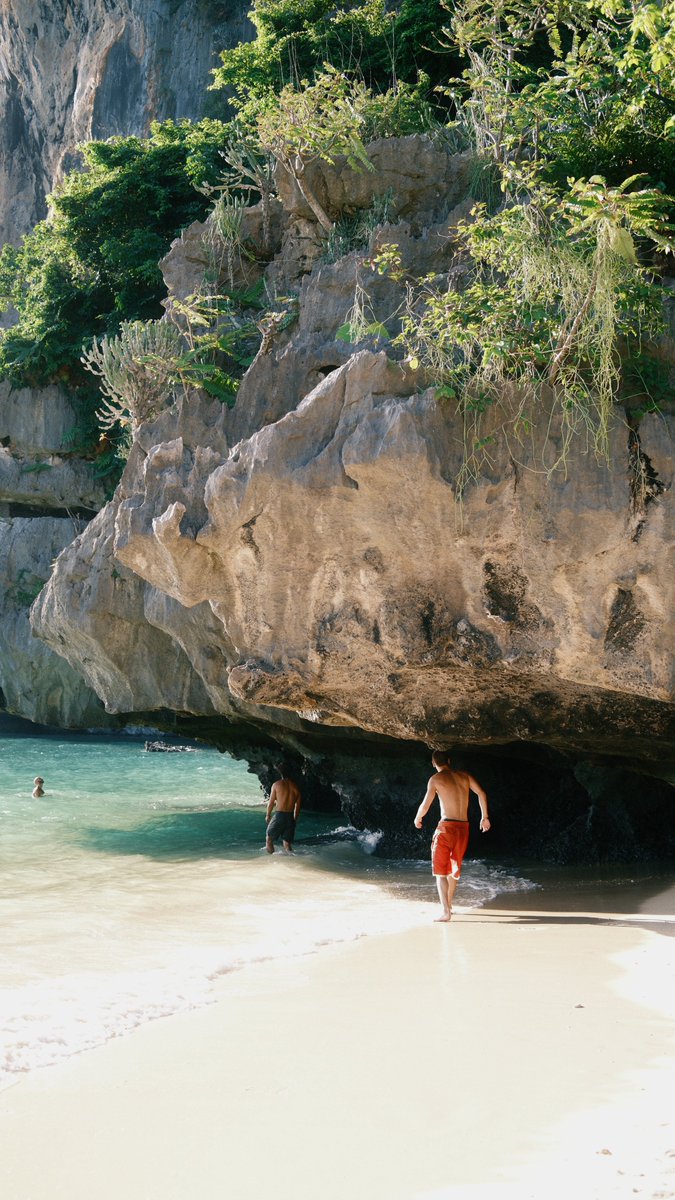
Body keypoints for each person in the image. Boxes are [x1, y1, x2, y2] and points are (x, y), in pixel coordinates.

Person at [414, 750, 490, 922]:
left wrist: (418, 818)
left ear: (433, 763)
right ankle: (449, 906)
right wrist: (484, 817)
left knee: (440, 872)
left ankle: (446, 911)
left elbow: (426, 804)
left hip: (446, 827)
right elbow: (482, 793)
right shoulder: (464, 776)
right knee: (454, 869)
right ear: (449, 760)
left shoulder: (435, 779)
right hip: (463, 828)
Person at [265, 764, 302, 854]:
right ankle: (291, 860)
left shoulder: (276, 785)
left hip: (279, 815)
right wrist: (294, 819)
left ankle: (270, 861)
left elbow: (271, 803)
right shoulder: (296, 787)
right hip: (290, 817)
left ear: (280, 773)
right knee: (287, 843)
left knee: (269, 839)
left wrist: (268, 815)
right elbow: (298, 807)